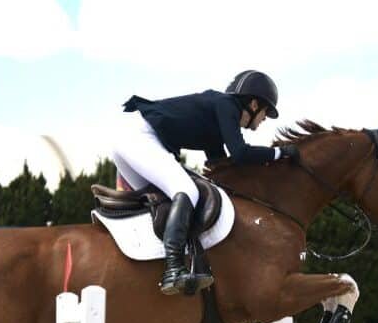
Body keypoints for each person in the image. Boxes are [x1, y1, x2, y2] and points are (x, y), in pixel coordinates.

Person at [114, 70, 298, 295]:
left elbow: (221, 169)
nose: (264, 119)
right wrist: (279, 154)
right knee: (187, 191)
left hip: (129, 139)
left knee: (163, 201)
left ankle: (147, 264)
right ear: (253, 104)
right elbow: (240, 153)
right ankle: (174, 268)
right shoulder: (226, 105)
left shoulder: (219, 116)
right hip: (140, 137)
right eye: (266, 112)